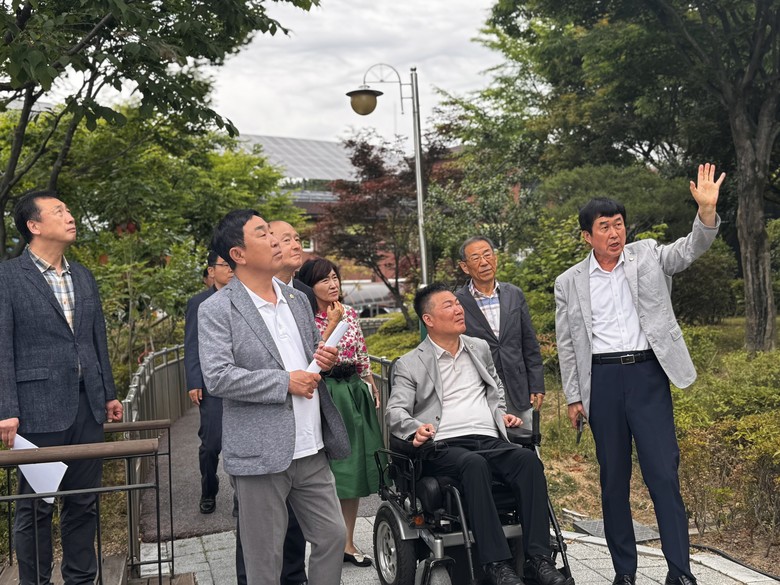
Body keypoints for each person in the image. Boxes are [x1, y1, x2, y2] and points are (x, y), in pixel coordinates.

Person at [554, 163, 726, 585]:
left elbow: (689, 249)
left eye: (619, 224)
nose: (615, 233)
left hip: (647, 376)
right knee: (614, 481)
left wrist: (706, 212)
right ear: (587, 236)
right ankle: (624, 572)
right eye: (604, 227)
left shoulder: (647, 254)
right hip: (602, 382)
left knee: (663, 475)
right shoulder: (569, 282)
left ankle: (680, 572)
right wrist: (574, 397)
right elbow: (567, 344)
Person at [198, 209, 350, 585]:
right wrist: (284, 382)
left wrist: (323, 359)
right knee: (264, 562)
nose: (275, 240)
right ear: (239, 254)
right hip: (260, 454)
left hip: (311, 446)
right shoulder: (216, 309)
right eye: (263, 233)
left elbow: (308, 357)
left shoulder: (297, 299)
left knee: (333, 536)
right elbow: (218, 377)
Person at [386, 283, 573, 585]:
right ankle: (496, 564)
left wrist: (499, 413)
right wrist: (414, 429)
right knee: (474, 465)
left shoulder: (478, 347)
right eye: (448, 305)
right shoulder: (410, 363)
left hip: (488, 437)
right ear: (428, 319)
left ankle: (538, 560)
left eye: (457, 303)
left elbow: (495, 386)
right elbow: (395, 411)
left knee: (528, 461)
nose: (458, 309)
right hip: (444, 444)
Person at [0, 191, 123, 585]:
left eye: (69, 210)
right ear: (34, 225)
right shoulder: (8, 277)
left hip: (88, 406)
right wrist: (6, 408)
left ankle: (80, 580)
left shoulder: (82, 274)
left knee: (83, 502)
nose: (69, 216)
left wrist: (109, 393)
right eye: (59, 211)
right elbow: (2, 345)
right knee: (36, 507)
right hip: (36, 408)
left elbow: (96, 339)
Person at [297, 258, 384, 568]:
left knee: (354, 467)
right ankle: (327, 543)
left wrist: (369, 382)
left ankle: (347, 542)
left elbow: (360, 352)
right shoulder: (304, 316)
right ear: (310, 286)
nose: (333, 284)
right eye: (324, 280)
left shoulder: (349, 312)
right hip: (324, 392)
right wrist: (332, 323)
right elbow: (312, 357)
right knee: (329, 471)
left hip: (352, 391)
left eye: (335, 278)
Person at [455, 236, 545, 424]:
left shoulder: (514, 294)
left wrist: (536, 383)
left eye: (487, 255)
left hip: (518, 387)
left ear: (495, 258)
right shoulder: (457, 302)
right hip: (479, 391)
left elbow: (529, 342)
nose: (484, 262)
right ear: (465, 267)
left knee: (525, 438)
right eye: (476, 258)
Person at [185, 250, 234, 515]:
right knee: (211, 443)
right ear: (211, 271)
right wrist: (194, 381)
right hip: (212, 383)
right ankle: (208, 490)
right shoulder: (199, 303)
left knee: (243, 440)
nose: (230, 269)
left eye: (232, 264)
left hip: (242, 381)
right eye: (224, 265)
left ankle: (242, 498)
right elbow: (192, 344)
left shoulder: (245, 297)